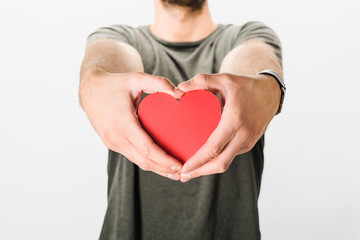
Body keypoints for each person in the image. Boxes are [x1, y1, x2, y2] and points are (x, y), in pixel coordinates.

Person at [79, 0, 284, 239]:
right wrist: (95, 84)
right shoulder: (118, 37)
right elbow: (104, 60)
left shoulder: (247, 36)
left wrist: (266, 86)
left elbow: (252, 62)